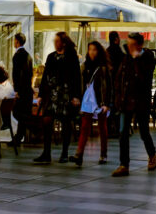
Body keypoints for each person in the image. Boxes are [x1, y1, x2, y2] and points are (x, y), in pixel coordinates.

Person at [111, 32, 156, 177]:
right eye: (128, 44)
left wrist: (137, 61)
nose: (129, 47)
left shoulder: (147, 58)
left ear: (139, 45)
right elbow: (119, 78)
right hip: (126, 100)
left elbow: (145, 79)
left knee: (144, 131)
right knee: (123, 132)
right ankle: (124, 164)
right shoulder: (126, 58)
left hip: (141, 101)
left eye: (132, 44)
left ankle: (152, 155)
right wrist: (118, 97)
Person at [34, 32, 82, 164]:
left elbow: (77, 77)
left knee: (66, 123)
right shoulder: (51, 57)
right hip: (52, 94)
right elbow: (45, 77)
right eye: (54, 41)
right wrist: (41, 95)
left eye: (57, 41)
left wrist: (76, 96)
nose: (55, 43)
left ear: (64, 43)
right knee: (47, 120)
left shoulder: (71, 57)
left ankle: (64, 152)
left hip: (66, 94)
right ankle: (46, 152)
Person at [71, 41, 111, 166]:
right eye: (90, 49)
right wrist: (77, 97)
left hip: (100, 100)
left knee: (102, 128)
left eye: (94, 49)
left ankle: (103, 154)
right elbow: (79, 83)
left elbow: (109, 87)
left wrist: (106, 103)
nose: (92, 52)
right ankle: (79, 154)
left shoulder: (104, 67)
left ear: (99, 51)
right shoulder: (84, 66)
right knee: (84, 127)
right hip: (88, 99)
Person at [10, 32, 34, 148]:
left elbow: (17, 74)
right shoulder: (28, 55)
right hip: (27, 89)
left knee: (18, 112)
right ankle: (19, 136)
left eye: (14, 40)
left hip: (21, 90)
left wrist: (16, 90)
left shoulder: (17, 55)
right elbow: (30, 74)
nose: (13, 43)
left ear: (17, 41)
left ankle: (21, 134)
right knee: (23, 113)